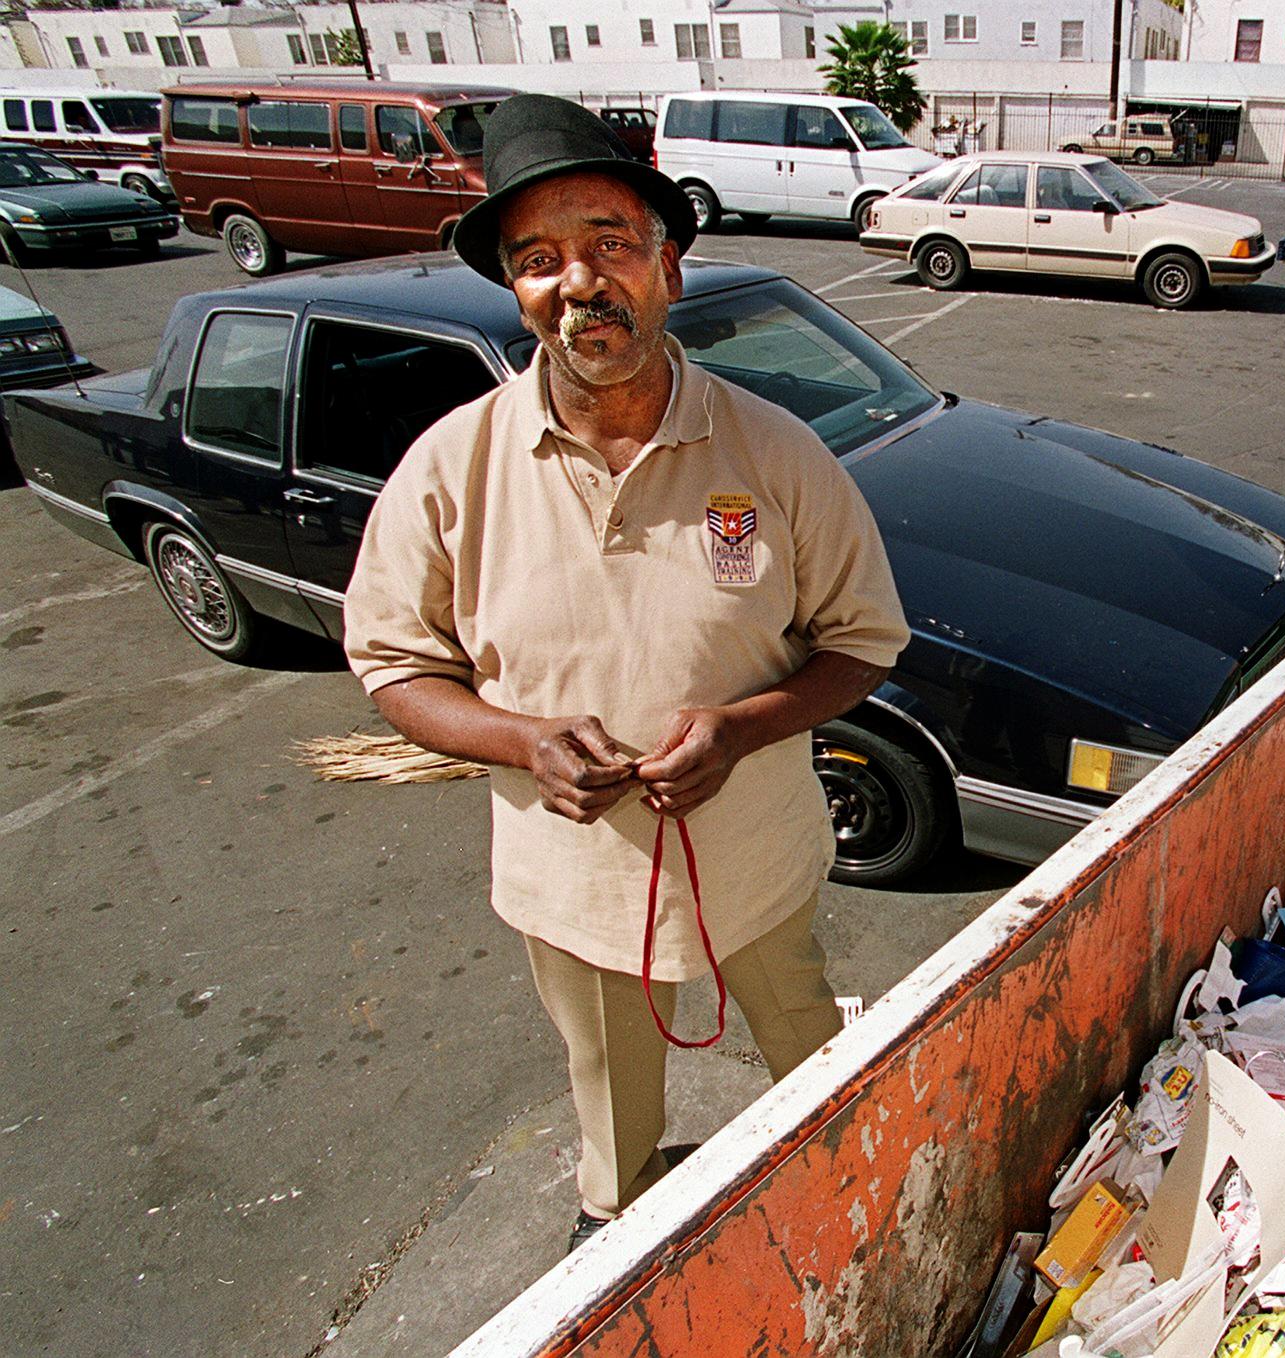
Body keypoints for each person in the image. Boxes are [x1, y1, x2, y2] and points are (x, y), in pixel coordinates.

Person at [341, 96, 910, 1252]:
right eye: (540, 261)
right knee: (604, 1082)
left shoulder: (775, 452)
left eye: (610, 243)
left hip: (754, 849)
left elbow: (863, 641)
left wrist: (741, 727)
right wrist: (521, 740)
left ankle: (854, 1179)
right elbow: (394, 665)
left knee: (805, 1036)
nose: (581, 283)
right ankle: (613, 1223)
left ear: (669, 267)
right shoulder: (453, 464)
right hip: (574, 882)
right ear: (515, 292)